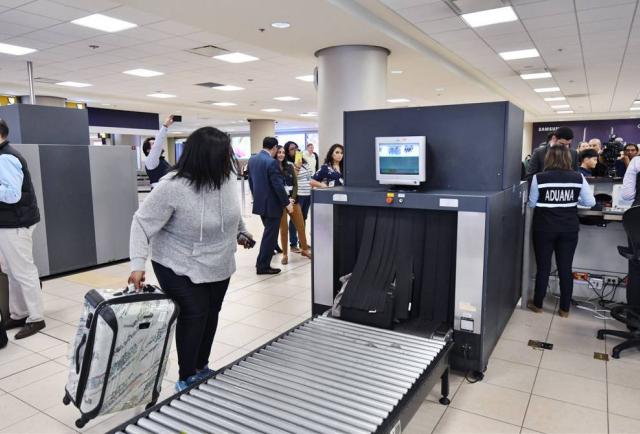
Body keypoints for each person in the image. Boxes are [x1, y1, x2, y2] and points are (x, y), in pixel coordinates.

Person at [128, 126, 253, 392]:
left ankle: (201, 366)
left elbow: (232, 212)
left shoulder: (226, 178)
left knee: (211, 313)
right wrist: (137, 263)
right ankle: (186, 376)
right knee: (195, 314)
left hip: (219, 262)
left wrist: (241, 232)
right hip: (177, 263)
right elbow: (140, 223)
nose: (229, 159)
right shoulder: (172, 186)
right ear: (205, 156)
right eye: (223, 154)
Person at [527, 145, 596, 317]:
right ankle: (564, 309)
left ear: (548, 158)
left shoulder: (539, 178)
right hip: (568, 228)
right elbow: (590, 202)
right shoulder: (578, 177)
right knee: (565, 268)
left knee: (543, 268)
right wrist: (574, 201)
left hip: (544, 228)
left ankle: (538, 304)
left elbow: (532, 203)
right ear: (568, 158)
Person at [0, 118, 45, 339]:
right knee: (11, 270)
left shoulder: (6, 157)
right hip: (8, 223)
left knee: (23, 271)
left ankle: (36, 318)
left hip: (15, 224)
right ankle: (19, 314)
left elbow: (12, 194)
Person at [248, 137, 293, 274]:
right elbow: (278, 186)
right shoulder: (271, 162)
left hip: (260, 203)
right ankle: (263, 266)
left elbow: (251, 182)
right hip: (272, 205)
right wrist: (287, 203)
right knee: (270, 236)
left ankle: (260, 263)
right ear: (274, 148)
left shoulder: (252, 160)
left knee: (268, 234)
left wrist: (256, 197)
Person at [274, 145, 311, 264]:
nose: (281, 154)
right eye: (279, 152)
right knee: (283, 229)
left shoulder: (289, 167)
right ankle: (285, 254)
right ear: (275, 154)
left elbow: (295, 184)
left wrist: (292, 199)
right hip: (280, 203)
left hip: (293, 201)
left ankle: (304, 249)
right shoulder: (272, 167)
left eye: (283, 152)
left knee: (301, 225)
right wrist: (285, 201)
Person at [285, 142, 313, 251]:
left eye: (296, 148)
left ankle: (302, 242)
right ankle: (293, 244)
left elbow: (310, 175)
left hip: (308, 193)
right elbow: (292, 179)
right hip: (298, 194)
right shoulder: (288, 164)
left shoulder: (304, 162)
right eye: (292, 149)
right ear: (288, 152)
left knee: (303, 219)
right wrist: (297, 166)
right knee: (294, 220)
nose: (295, 150)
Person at [143, 116, 174, 188]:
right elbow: (157, 145)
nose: (156, 145)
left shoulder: (161, 160)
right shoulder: (150, 161)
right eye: (153, 144)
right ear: (148, 150)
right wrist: (165, 126)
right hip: (158, 191)